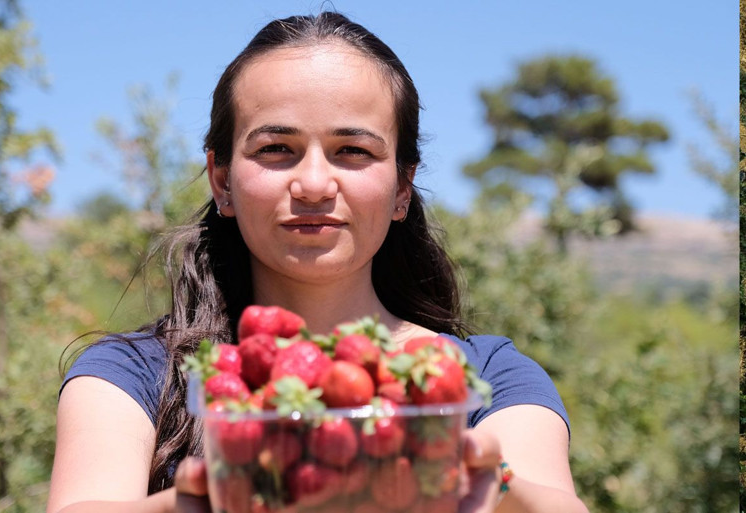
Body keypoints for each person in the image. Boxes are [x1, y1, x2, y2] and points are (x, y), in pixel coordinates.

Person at [46, 12, 588, 513]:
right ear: (222, 180)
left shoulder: (484, 377)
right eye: (275, 149)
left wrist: (491, 484)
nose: (312, 184)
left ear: (402, 186)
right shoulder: (136, 375)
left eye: (353, 151)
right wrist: (191, 503)